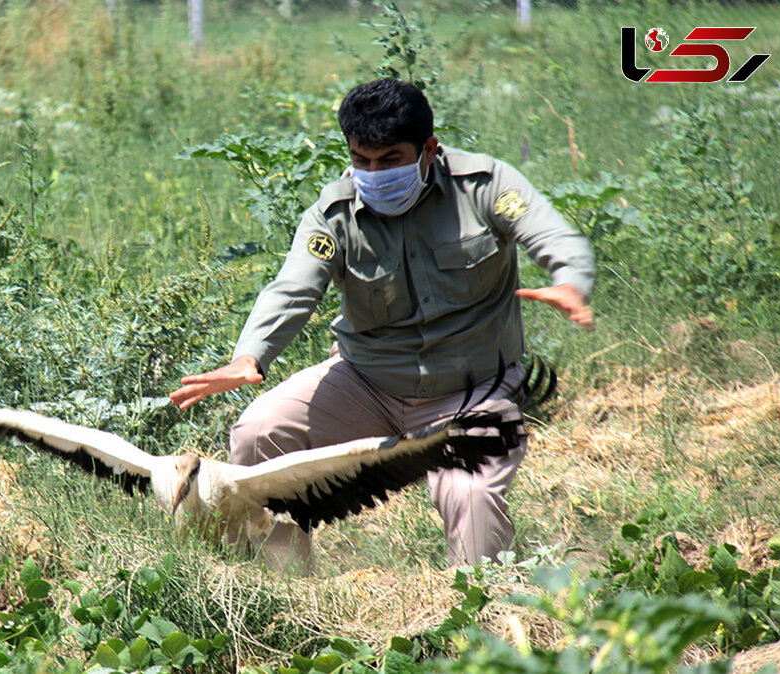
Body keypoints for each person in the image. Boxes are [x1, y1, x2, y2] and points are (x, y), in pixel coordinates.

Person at [169, 78, 595, 573]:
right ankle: (282, 593)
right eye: (361, 159)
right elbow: (293, 289)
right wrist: (249, 356)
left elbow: (551, 233)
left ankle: (483, 624)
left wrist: (570, 280)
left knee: (470, 491)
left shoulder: (484, 187)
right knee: (259, 432)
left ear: (429, 150)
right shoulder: (335, 212)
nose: (374, 173)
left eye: (390, 159)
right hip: (367, 381)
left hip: (471, 389)